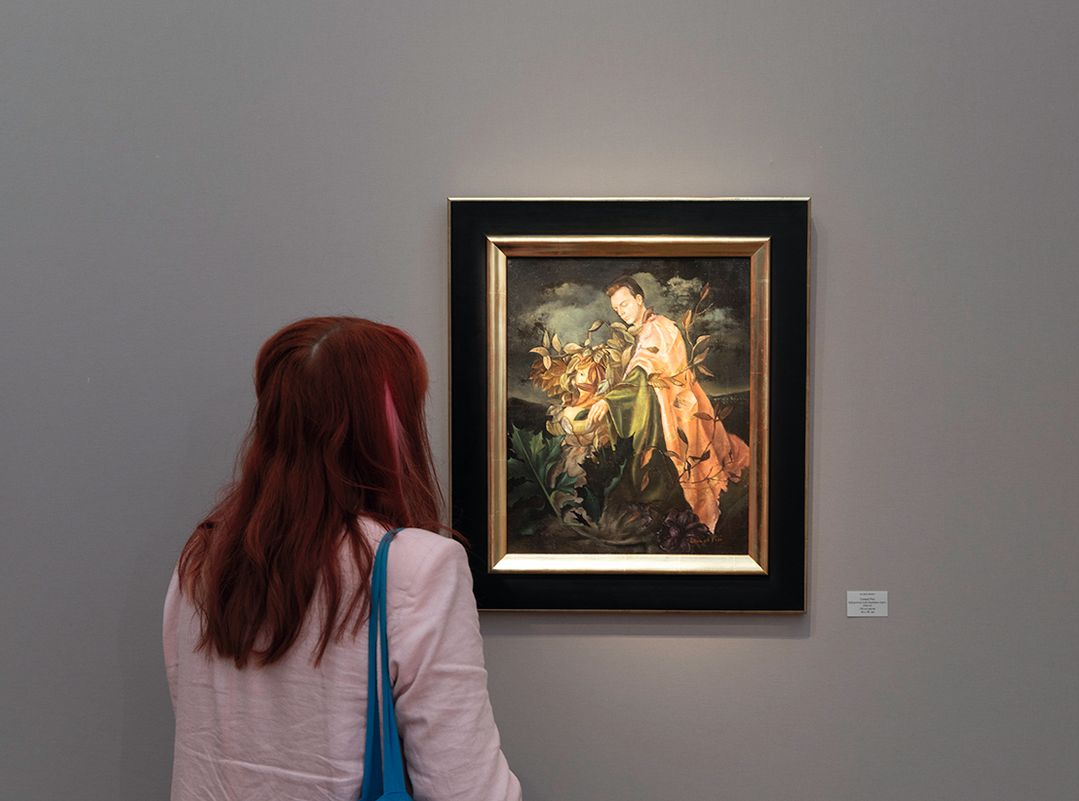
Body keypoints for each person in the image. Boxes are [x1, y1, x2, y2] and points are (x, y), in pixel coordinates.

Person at [162, 317, 522, 801]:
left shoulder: (204, 556)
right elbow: (465, 784)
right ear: (385, 425)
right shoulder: (413, 565)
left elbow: (199, 723)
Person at [582, 277, 749, 533]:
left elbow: (643, 374)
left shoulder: (658, 328)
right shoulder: (646, 330)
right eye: (617, 309)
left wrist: (610, 401)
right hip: (664, 410)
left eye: (625, 304)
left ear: (639, 300)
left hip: (675, 413)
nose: (622, 311)